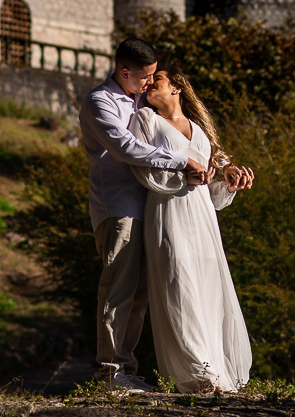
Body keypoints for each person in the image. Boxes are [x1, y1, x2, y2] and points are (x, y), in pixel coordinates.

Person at [79, 38, 208, 392]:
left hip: (151, 209)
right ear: (125, 72)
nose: (150, 82)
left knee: (139, 295)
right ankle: (110, 372)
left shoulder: (142, 101)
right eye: (145, 76)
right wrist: (181, 163)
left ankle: (126, 368)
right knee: (118, 288)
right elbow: (126, 147)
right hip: (118, 208)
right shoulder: (99, 102)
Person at [130, 61, 255, 393]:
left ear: (176, 87)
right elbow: (143, 170)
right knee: (178, 285)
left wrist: (228, 182)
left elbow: (211, 191)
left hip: (202, 216)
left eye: (157, 78)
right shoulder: (144, 119)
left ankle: (215, 369)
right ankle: (201, 372)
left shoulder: (199, 130)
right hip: (167, 210)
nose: (149, 83)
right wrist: (182, 178)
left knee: (207, 288)